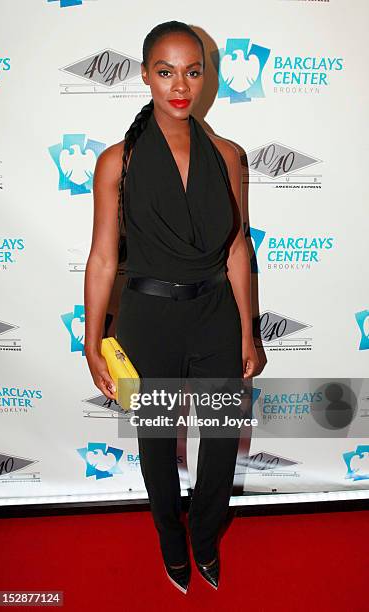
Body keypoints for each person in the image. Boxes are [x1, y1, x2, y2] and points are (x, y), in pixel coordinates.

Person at [84, 20, 260, 594]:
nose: (179, 84)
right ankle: (169, 539)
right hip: (146, 322)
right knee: (156, 447)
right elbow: (104, 259)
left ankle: (206, 537)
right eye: (165, 71)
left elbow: (238, 247)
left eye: (192, 70)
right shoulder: (119, 161)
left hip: (215, 315)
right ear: (145, 76)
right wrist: (91, 343)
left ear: (206, 76)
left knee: (222, 438)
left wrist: (247, 331)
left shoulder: (230, 156)